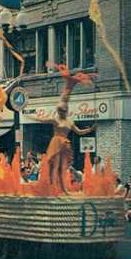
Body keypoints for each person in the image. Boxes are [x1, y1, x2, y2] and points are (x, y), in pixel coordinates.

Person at [26, 63, 96, 194]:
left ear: (66, 110)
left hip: (64, 144)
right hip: (56, 143)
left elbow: (79, 132)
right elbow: (42, 119)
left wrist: (91, 129)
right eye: (61, 110)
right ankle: (54, 187)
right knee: (56, 166)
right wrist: (30, 116)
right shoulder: (56, 119)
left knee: (63, 168)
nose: (62, 111)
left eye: (64, 109)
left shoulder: (69, 122)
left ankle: (62, 188)